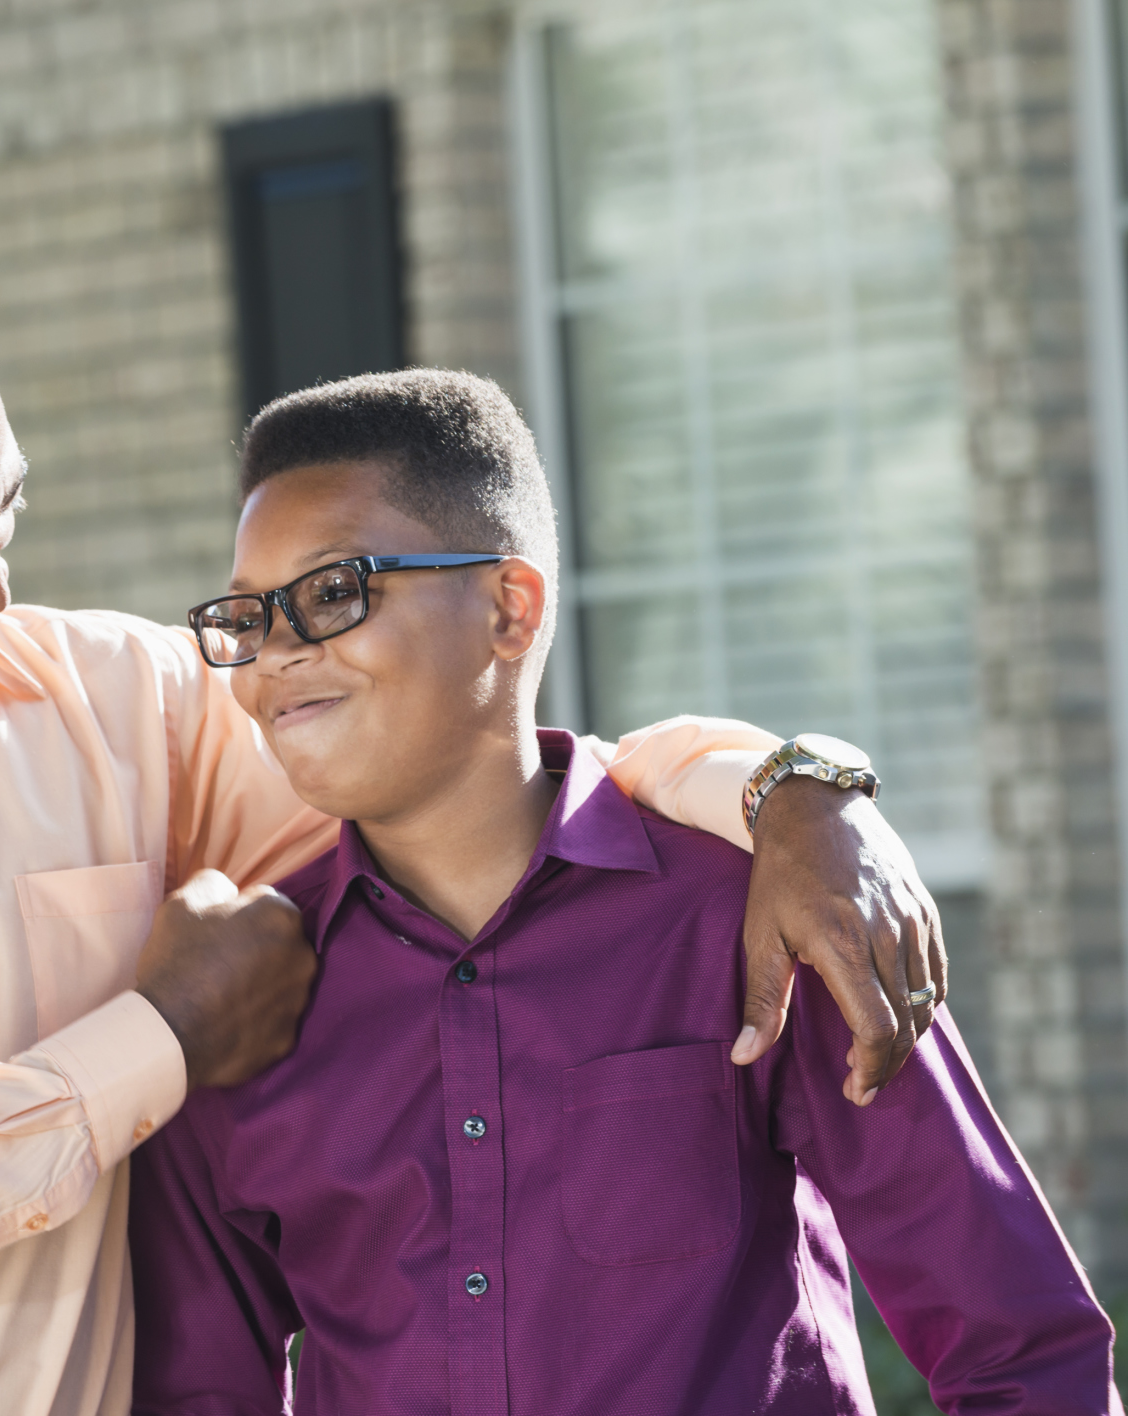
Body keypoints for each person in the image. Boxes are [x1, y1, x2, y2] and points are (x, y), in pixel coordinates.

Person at [0, 207, 946, 1416]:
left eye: (2, 513)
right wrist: (152, 1042)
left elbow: (466, 771)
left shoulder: (102, 704)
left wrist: (784, 788)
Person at [128, 368, 1118, 1415]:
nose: (270, 658)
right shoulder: (244, 996)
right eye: (247, 615)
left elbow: (1017, 1343)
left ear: (509, 608)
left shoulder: (755, 914)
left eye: (332, 593)